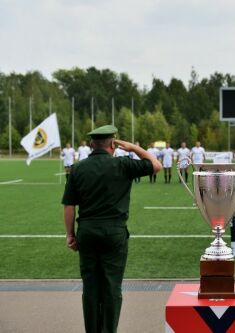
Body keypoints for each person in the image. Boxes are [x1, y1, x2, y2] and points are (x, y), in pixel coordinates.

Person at [61, 125, 162, 333]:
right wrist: (133, 147)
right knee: (112, 287)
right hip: (114, 233)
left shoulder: (78, 168)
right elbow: (156, 165)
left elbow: (69, 205)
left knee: (90, 287)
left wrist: (70, 234)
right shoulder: (122, 164)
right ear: (113, 144)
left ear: (91, 144)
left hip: (87, 232)